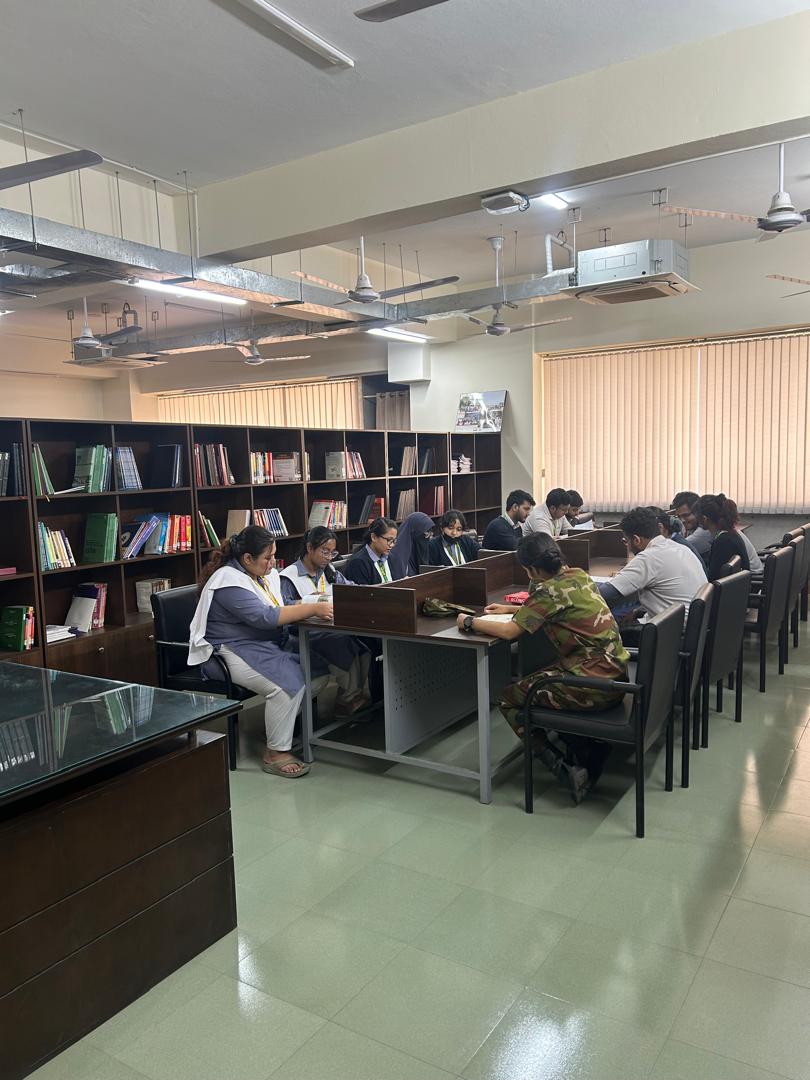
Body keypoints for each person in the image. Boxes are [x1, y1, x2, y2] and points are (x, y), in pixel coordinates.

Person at [457, 532, 629, 804]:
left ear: (533, 570)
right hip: (616, 677)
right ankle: (588, 748)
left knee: (509, 699)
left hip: (592, 687)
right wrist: (508, 609)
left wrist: (469, 622)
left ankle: (566, 770)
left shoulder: (547, 591)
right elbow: (550, 606)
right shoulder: (578, 575)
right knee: (539, 678)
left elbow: (511, 632)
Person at [188, 526, 333, 778]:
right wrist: (312, 610)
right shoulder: (228, 581)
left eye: (273, 555)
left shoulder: (258, 574)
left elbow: (278, 605)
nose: (273, 562)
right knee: (287, 685)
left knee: (317, 671)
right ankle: (275, 754)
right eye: (268, 557)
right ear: (247, 558)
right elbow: (264, 616)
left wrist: (310, 602)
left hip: (260, 645)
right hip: (228, 651)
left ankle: (278, 728)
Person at [280, 526, 371, 714]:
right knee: (342, 643)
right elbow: (284, 607)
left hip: (330, 627)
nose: (329, 557)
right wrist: (309, 603)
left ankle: (349, 695)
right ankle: (350, 698)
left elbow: (349, 588)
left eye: (332, 552)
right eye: (325, 551)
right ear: (309, 548)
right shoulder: (289, 576)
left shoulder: (328, 571)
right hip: (303, 634)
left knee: (364, 646)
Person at [598, 506, 707, 620]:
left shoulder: (648, 557)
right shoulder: (681, 548)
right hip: (690, 624)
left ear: (636, 540)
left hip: (670, 629)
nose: (628, 547)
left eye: (627, 541)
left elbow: (604, 594)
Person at [694, 494, 751, 580]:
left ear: (704, 519)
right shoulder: (730, 534)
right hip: (740, 586)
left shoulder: (723, 542)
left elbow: (713, 577)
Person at [343, 517, 399, 584]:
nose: (392, 545)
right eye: (389, 540)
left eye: (394, 541)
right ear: (374, 537)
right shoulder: (358, 563)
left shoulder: (390, 558)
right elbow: (364, 590)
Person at [387, 511, 435, 577]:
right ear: (414, 531)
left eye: (430, 533)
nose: (429, 538)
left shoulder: (426, 547)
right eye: (426, 534)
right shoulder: (397, 556)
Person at [670, 490, 712, 563]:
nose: (682, 520)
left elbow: (675, 549)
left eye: (686, 515)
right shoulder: (688, 525)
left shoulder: (705, 531)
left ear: (698, 512)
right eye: (679, 516)